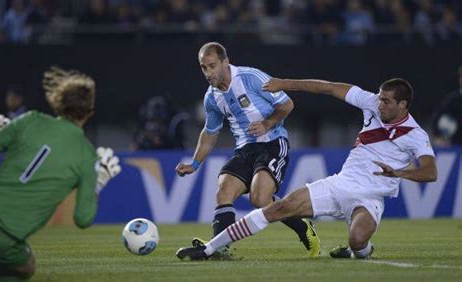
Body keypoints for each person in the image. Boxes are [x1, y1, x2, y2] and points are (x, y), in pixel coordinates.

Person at [176, 77, 437, 260]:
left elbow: (430, 172)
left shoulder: (415, 135)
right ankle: (210, 249)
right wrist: (285, 84)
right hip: (339, 185)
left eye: (387, 102)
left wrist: (398, 173)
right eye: (380, 99)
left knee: (357, 239)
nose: (380, 105)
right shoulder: (370, 103)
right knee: (275, 207)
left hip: (370, 198)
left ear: (403, 105)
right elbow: (328, 88)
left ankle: (359, 252)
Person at [175, 42, 320, 258]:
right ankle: (219, 248)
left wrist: (267, 124)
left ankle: (303, 228)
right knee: (223, 191)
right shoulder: (211, 97)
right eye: (203, 68)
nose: (208, 72)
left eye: (212, 66)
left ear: (226, 62)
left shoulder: (251, 78)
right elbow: (210, 132)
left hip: (272, 143)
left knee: (260, 199)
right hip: (244, 149)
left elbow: (287, 104)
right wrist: (194, 163)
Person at [0, 66, 121, 279]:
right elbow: (83, 219)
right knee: (25, 267)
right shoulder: (87, 156)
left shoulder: (30, 120)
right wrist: (98, 182)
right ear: (90, 112)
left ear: (57, 101)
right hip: (5, 238)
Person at [432, 65, 462, 146]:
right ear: (460, 79)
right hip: (456, 146)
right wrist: (438, 137)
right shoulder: (451, 100)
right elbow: (437, 118)